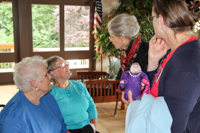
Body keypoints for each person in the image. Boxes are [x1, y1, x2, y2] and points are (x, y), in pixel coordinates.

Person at [123, 0, 200, 132]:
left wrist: (137, 106)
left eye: (152, 17)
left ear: (162, 20)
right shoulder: (174, 52)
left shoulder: (185, 66)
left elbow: (169, 127)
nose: (151, 21)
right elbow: (157, 95)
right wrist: (153, 61)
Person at [0, 55, 67, 133]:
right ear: (34, 83)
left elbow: (62, 126)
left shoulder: (48, 97)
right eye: (46, 75)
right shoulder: (13, 116)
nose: (50, 76)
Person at [47, 56, 98, 133]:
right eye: (62, 65)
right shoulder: (49, 93)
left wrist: (93, 127)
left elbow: (91, 106)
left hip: (87, 128)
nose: (67, 66)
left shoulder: (79, 85)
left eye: (66, 63)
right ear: (53, 73)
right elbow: (51, 120)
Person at [107, 13, 149, 80]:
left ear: (122, 38)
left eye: (112, 37)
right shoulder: (124, 52)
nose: (111, 40)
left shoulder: (146, 52)